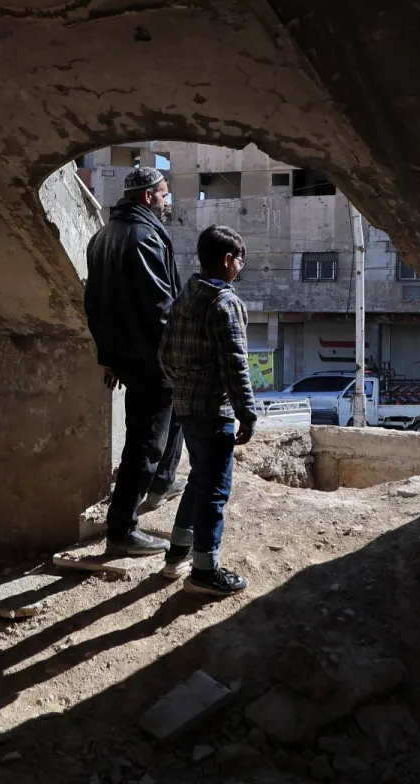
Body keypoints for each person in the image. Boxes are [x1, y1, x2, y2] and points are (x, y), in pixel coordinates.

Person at [84, 166, 187, 555]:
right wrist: (180, 353)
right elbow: (160, 308)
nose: (167, 200)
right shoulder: (144, 237)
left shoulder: (102, 236)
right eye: (163, 194)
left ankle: (162, 482)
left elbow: (94, 305)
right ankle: (122, 529)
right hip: (151, 358)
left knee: (174, 414)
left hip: (126, 355)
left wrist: (107, 356)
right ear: (148, 196)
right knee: (145, 442)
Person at [157, 224, 257, 596]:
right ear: (228, 259)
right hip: (214, 411)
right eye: (240, 262)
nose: (240, 269)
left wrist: (184, 386)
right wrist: (247, 413)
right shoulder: (225, 302)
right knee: (214, 490)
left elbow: (164, 354)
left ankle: (177, 553)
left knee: (198, 480)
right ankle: (205, 571)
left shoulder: (186, 295)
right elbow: (236, 364)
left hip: (185, 406)